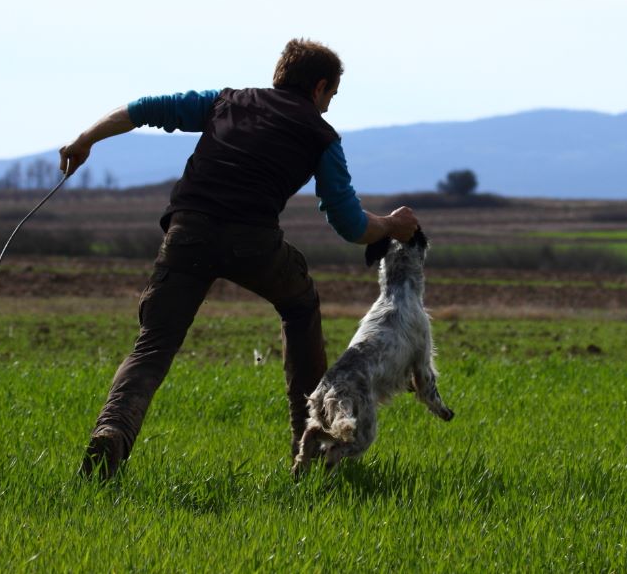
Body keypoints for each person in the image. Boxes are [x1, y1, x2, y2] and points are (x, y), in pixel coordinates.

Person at [59, 39, 419, 480]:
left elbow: (143, 109)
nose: (327, 108)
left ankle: (114, 428)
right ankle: (310, 446)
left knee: (153, 344)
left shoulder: (225, 103)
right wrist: (390, 225)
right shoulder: (320, 136)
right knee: (300, 306)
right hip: (253, 241)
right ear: (320, 87)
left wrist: (85, 139)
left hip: (187, 233)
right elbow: (349, 224)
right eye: (331, 97)